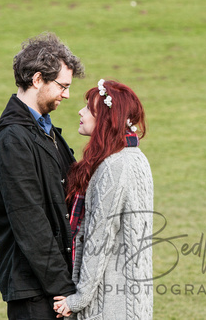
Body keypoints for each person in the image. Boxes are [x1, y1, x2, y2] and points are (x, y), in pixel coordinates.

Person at [0, 32, 85, 320]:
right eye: (62, 86)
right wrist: (64, 287)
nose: (66, 95)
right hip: (35, 291)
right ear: (38, 79)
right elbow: (30, 221)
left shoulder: (46, 132)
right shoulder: (13, 140)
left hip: (51, 286)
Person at [54, 79, 154, 319]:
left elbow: (99, 239)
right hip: (132, 300)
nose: (81, 111)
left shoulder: (114, 166)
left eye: (89, 109)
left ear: (106, 120)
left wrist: (79, 299)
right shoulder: (136, 158)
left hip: (110, 304)